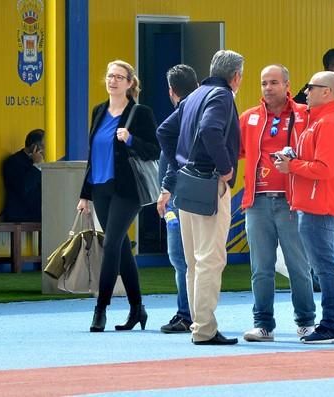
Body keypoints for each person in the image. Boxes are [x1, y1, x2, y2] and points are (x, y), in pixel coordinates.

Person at [157, 50, 243, 345]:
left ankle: (199, 325)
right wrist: (226, 167)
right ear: (236, 76)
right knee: (210, 259)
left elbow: (164, 131)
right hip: (208, 183)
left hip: (186, 184)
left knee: (195, 261)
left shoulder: (193, 96)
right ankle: (204, 329)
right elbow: (209, 129)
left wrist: (180, 162)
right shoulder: (222, 96)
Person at [78, 60, 160, 332]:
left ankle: (100, 308)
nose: (112, 81)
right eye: (109, 76)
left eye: (119, 77)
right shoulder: (98, 111)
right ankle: (137, 308)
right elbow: (93, 155)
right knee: (121, 247)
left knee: (111, 244)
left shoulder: (140, 113)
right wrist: (85, 194)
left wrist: (131, 139)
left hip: (127, 189)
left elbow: (155, 151)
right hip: (100, 188)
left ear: (129, 83)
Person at [274, 71, 334, 344]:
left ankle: (332, 325)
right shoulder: (323, 121)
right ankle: (333, 323)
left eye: (311, 87)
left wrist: (291, 165)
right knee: (325, 265)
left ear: (327, 92)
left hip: (320, 205)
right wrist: (293, 160)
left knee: (325, 266)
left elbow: (325, 169)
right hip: (316, 203)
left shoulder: (328, 123)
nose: (305, 92)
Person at [239, 64, 315, 342]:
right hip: (257, 202)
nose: (268, 88)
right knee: (261, 267)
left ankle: (306, 322)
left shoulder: (304, 115)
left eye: (273, 82)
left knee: (298, 266)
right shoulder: (248, 118)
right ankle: (263, 325)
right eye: (263, 83)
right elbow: (233, 151)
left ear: (287, 85)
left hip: (291, 202)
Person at [157, 64, 199, 334]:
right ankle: (193, 312)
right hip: (194, 194)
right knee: (192, 259)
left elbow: (176, 159)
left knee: (182, 259)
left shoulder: (180, 118)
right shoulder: (201, 113)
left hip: (178, 196)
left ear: (171, 92)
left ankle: (187, 314)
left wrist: (166, 189)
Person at [2, 129, 44, 222]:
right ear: (35, 147)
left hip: (39, 217)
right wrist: (36, 165)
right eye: (45, 147)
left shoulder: (43, 164)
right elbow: (24, 187)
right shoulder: (14, 162)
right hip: (20, 218)